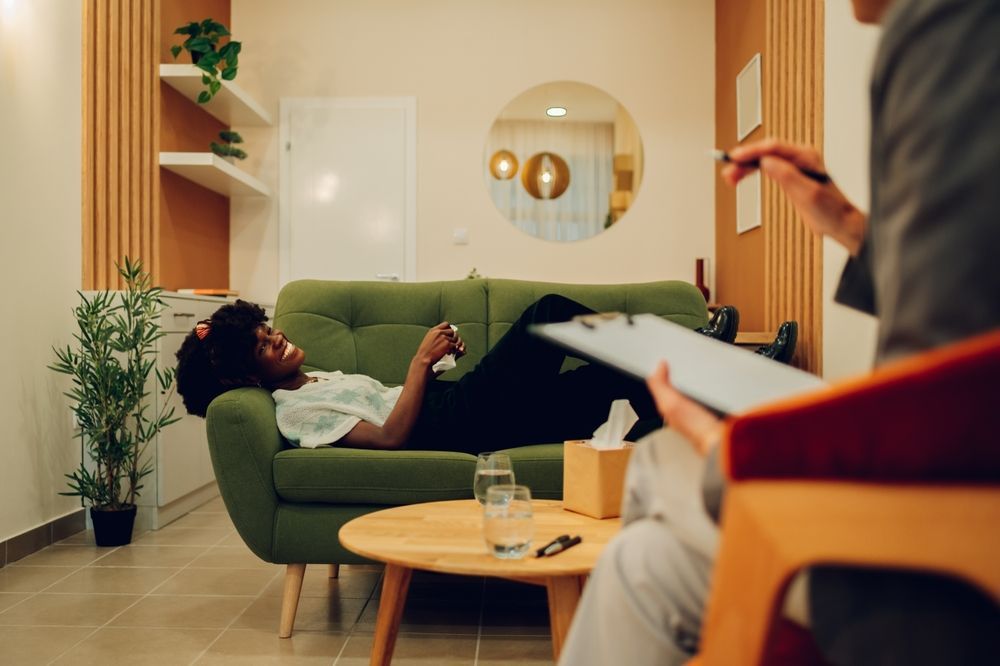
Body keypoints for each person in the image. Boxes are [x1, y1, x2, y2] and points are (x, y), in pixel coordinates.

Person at [560, 0, 1000, 663]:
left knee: (656, 462)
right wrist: (845, 221)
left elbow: (947, 415)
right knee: (640, 561)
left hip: (930, 570)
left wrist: (728, 442)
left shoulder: (951, 20)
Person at [175, 294, 658, 453]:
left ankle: (694, 373)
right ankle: (678, 349)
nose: (277, 337)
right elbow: (390, 437)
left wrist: (440, 359)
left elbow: (391, 398)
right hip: (450, 424)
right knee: (547, 314)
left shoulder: (312, 381)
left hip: (452, 405)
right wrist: (419, 362)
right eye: (263, 345)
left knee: (603, 390)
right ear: (250, 376)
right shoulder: (294, 414)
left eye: (267, 329)